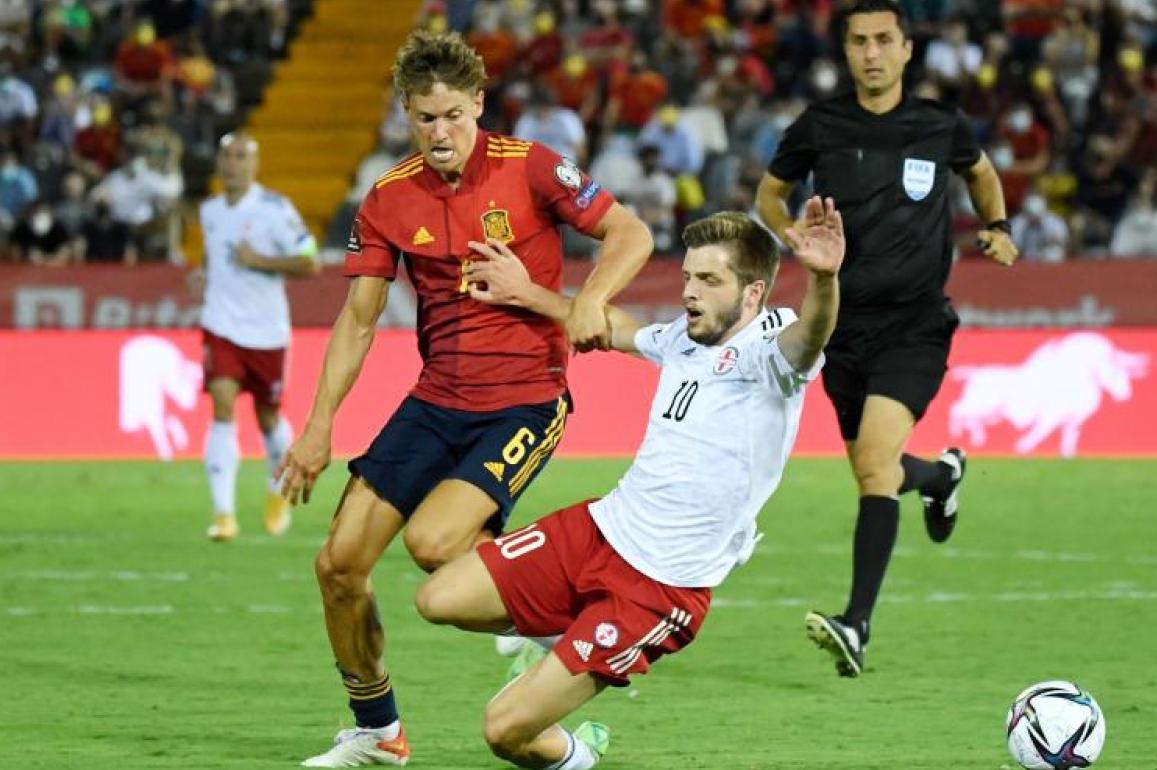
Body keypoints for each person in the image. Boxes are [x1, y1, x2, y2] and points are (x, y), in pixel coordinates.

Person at [279, 31, 653, 768]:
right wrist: (318, 426)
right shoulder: (389, 197)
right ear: (406, 115)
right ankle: (378, 733)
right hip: (434, 399)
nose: (441, 132)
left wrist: (592, 300)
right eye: (425, 119)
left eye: (454, 114)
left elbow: (629, 231)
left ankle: (560, 626)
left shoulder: (534, 167)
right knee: (338, 565)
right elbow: (357, 320)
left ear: (479, 103)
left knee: (435, 546)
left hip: (524, 401)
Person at [415, 201, 844, 769]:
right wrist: (526, 292)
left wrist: (823, 279)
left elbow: (810, 338)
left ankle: (579, 757)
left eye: (710, 280)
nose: (691, 290)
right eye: (689, 275)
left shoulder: (771, 351)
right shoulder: (684, 339)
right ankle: (561, 638)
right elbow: (612, 327)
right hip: (600, 530)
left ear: (752, 294)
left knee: (504, 733)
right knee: (437, 598)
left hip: (659, 589)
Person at [755, 0, 1019, 678]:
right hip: (839, 327)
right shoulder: (821, 125)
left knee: (873, 467)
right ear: (846, 53)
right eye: (858, 42)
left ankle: (857, 624)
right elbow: (768, 193)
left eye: (883, 41)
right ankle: (939, 477)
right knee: (879, 469)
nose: (871, 53)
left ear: (906, 50)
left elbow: (983, 172)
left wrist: (998, 224)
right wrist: (789, 232)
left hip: (915, 324)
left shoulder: (940, 126)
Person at [192, 131, 319, 542]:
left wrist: (259, 261)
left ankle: (276, 490)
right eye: (227, 156)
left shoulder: (275, 209)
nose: (233, 164)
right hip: (221, 325)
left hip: (266, 331)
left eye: (241, 157)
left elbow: (310, 261)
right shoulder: (209, 211)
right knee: (223, 407)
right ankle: (223, 514)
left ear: (254, 164)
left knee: (268, 418)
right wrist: (203, 274)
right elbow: (214, 258)